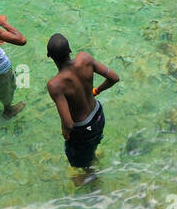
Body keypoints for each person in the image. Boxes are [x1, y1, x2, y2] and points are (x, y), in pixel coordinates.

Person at [45, 34, 120, 180]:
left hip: (83, 128)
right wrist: (97, 90)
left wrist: (65, 133)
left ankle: (91, 178)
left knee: (79, 162)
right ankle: (91, 159)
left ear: (49, 56)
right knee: (92, 144)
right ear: (70, 50)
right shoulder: (85, 58)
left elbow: (69, 124)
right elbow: (114, 78)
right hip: (98, 114)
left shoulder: (55, 85)